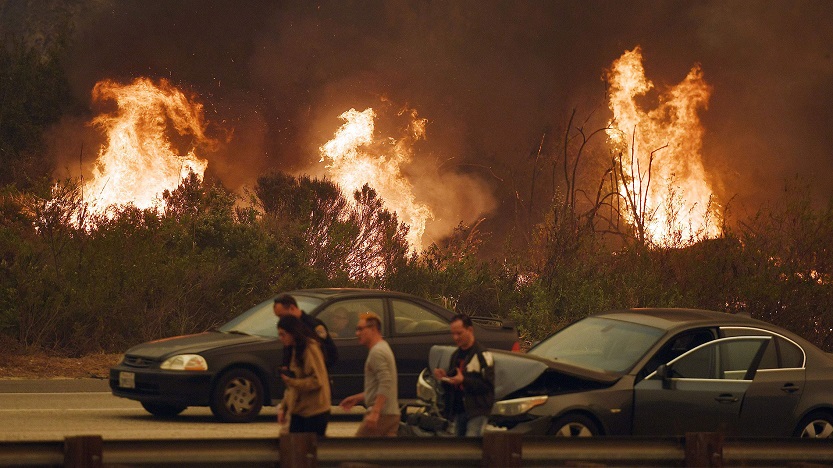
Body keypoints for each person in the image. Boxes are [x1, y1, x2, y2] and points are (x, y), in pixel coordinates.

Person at [338, 312, 400, 437]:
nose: (357, 333)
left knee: (358, 452)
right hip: (391, 414)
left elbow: (386, 382)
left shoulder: (377, 352)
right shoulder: (383, 347)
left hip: (382, 415)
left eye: (360, 329)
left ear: (373, 329)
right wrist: (358, 398)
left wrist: (375, 412)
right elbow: (382, 385)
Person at [433, 313, 495, 437]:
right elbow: (453, 379)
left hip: (477, 410)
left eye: (459, 333)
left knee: (470, 445)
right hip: (459, 410)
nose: (456, 338)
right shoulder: (455, 355)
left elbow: (488, 385)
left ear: (470, 330)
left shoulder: (482, 355)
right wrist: (444, 377)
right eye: (453, 334)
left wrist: (464, 381)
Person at [276, 315, 331, 436]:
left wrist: (291, 381)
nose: (281, 338)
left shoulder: (309, 348)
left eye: (283, 334)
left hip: (314, 411)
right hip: (300, 409)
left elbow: (317, 381)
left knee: (305, 450)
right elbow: (295, 381)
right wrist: (284, 407)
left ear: (293, 333)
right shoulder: (295, 349)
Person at [273, 294, 338, 368]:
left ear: (292, 308)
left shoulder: (313, 325)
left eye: (282, 316)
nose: (281, 320)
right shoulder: (289, 328)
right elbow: (289, 351)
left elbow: (330, 353)